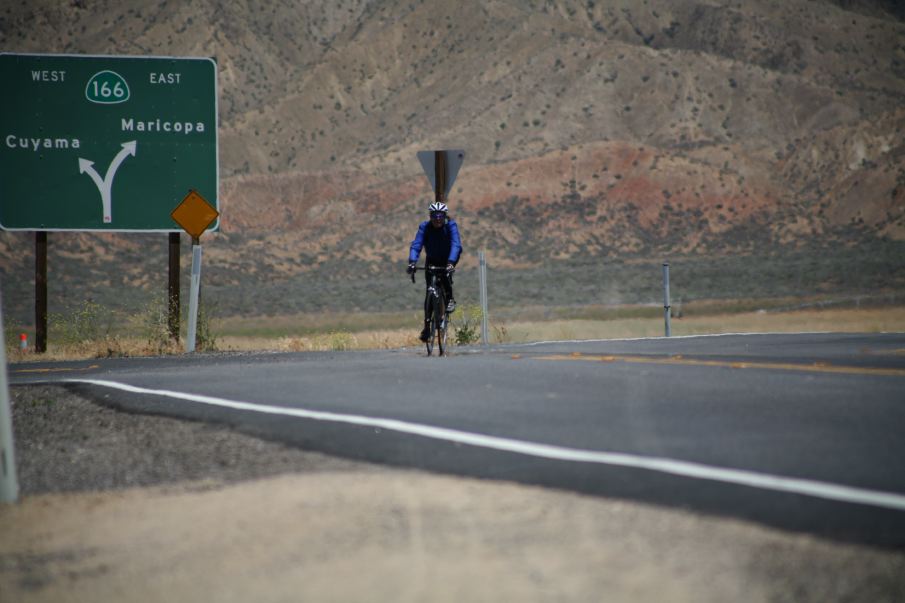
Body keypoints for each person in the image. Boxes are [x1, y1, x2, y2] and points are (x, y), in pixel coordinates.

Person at [407, 201, 462, 342]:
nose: (437, 219)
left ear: (444, 216)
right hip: (431, 260)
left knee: (445, 277)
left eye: (440, 215)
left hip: (448, 259)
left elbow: (456, 245)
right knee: (429, 291)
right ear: (430, 216)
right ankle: (426, 328)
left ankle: (449, 299)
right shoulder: (424, 227)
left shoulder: (451, 226)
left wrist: (451, 263)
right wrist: (412, 262)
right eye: (434, 215)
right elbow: (416, 245)